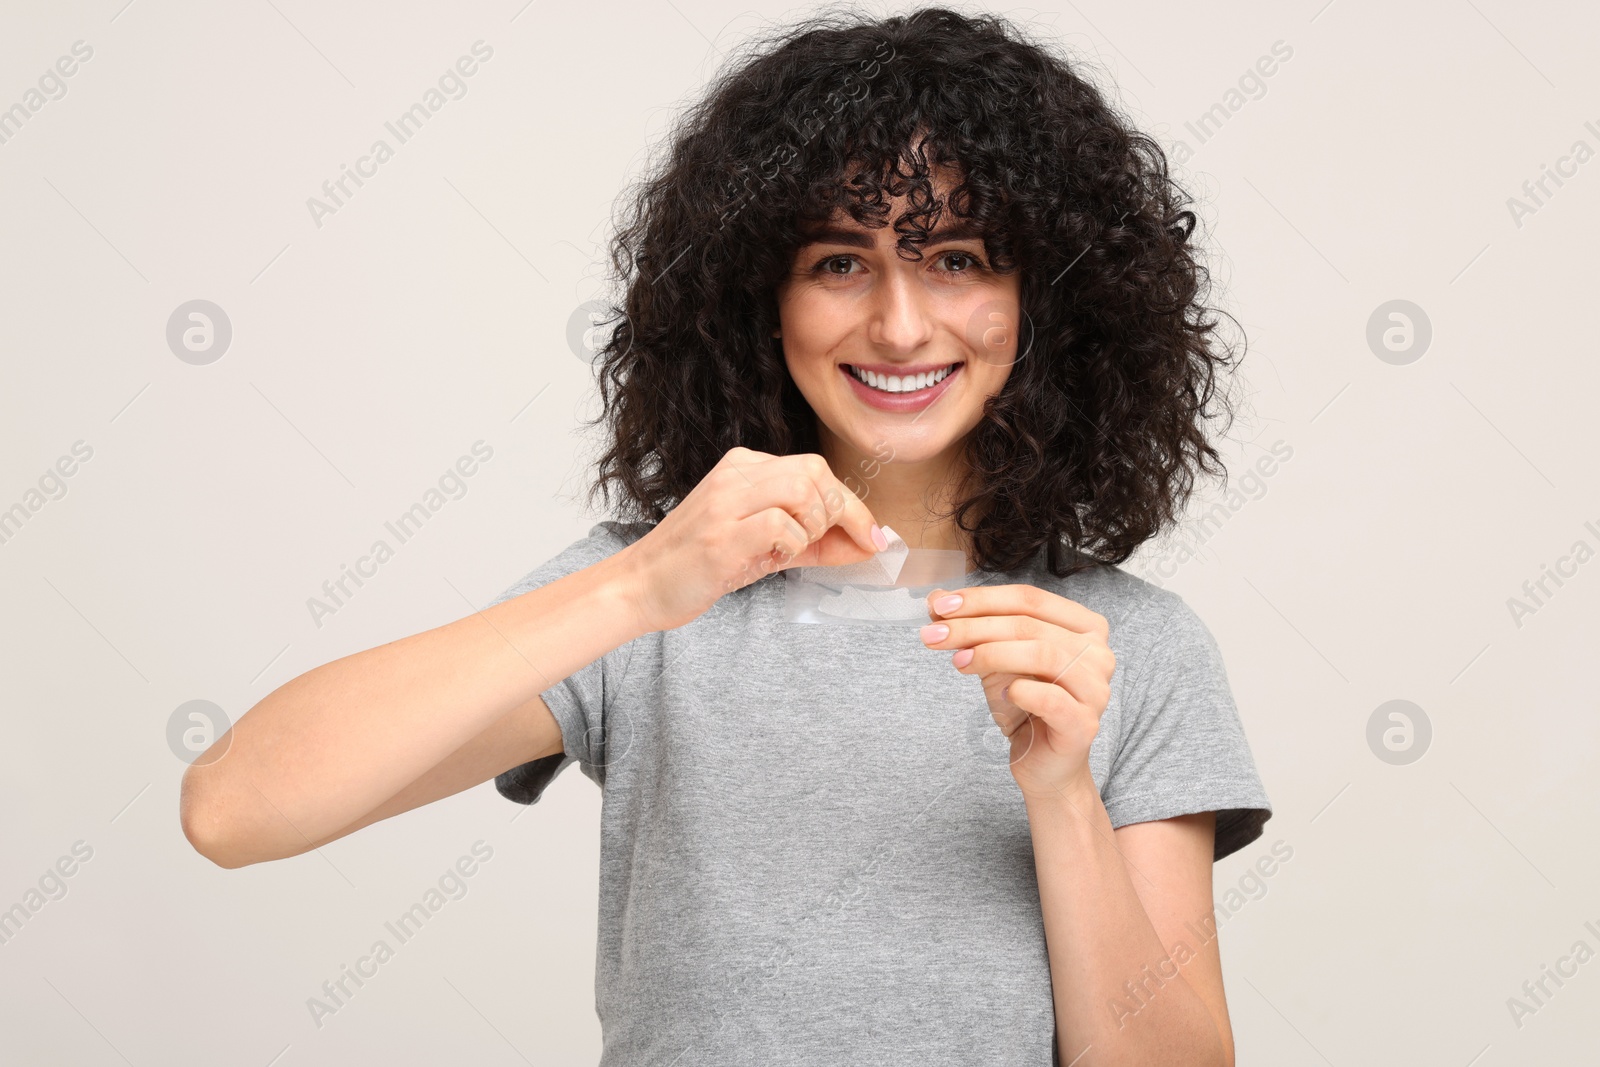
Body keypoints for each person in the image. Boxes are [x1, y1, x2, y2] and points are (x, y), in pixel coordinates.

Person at [180, 8, 1271, 1065]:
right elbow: (233, 808)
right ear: (759, 300)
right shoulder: (655, 599)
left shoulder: (1127, 647)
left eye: (957, 256)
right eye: (838, 262)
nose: (898, 324)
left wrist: (1061, 793)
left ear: (1046, 298)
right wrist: (638, 584)